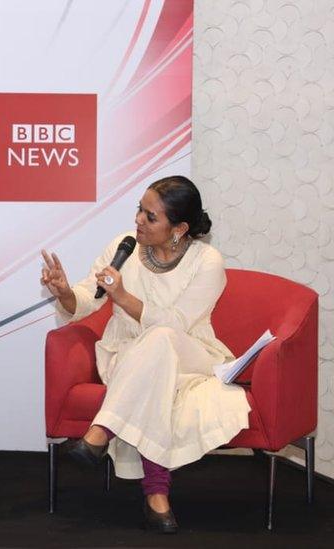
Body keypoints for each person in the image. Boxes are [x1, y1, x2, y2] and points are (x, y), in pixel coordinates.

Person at [40, 175, 250, 534]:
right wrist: (63, 293)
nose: (138, 220)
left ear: (179, 228)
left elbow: (177, 323)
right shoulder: (123, 247)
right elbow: (89, 297)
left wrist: (121, 296)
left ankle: (101, 430)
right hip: (127, 353)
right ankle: (156, 493)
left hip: (192, 353)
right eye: (139, 209)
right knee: (155, 362)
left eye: (150, 216)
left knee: (163, 337)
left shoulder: (207, 261)